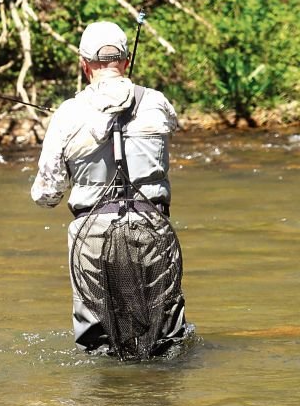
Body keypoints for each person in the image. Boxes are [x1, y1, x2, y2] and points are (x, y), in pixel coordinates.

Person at [30, 21, 192, 359]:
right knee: (168, 341)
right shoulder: (158, 103)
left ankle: (107, 402)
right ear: (127, 60)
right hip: (152, 229)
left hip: (91, 236)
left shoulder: (68, 114)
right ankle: (161, 404)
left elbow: (47, 194)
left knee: (98, 344)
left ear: (83, 64)